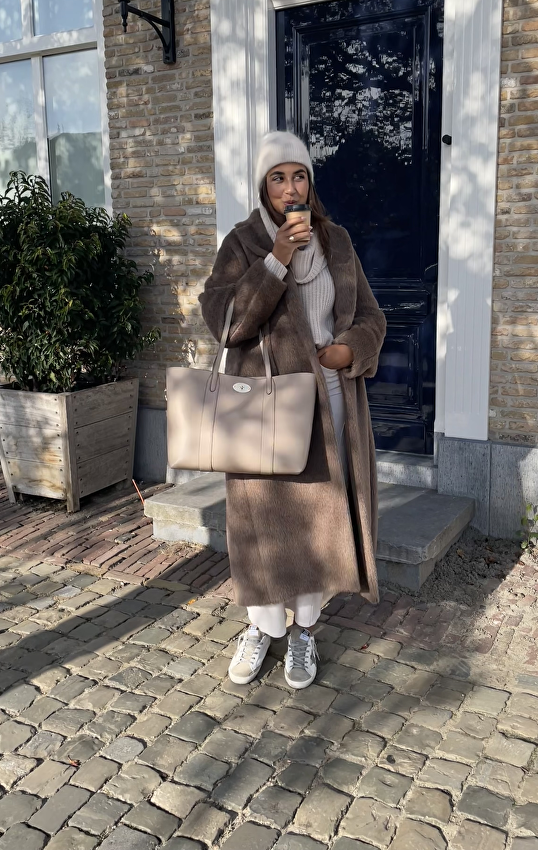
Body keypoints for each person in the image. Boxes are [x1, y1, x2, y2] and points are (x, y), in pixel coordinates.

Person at [199, 131, 386, 689]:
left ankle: (304, 630)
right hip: (264, 406)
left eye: (298, 175)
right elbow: (227, 324)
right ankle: (262, 627)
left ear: (310, 182)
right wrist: (276, 258)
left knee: (316, 525)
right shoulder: (241, 243)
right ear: (263, 186)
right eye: (277, 178)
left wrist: (350, 349)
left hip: (330, 404)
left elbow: (372, 317)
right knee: (263, 525)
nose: (289, 188)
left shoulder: (338, 242)